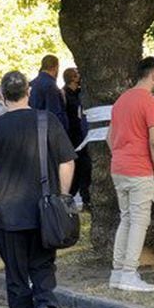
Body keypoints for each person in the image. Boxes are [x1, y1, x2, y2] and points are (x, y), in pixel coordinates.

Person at [0, 70, 76, 308]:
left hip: (9, 214)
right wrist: (62, 197)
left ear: (2, 95)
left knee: (16, 275)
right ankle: (45, 303)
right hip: (44, 210)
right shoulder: (47, 121)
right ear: (29, 91)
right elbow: (67, 162)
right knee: (42, 264)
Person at [107, 57, 154, 292]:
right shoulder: (150, 103)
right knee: (139, 221)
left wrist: (120, 154)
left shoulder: (121, 100)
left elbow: (110, 137)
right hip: (140, 169)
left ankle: (118, 271)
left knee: (126, 218)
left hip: (119, 166)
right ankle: (130, 272)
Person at [62, 67, 91, 209]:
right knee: (75, 166)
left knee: (84, 166)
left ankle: (85, 198)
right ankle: (70, 195)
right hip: (72, 135)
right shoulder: (64, 94)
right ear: (73, 78)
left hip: (81, 134)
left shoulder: (80, 93)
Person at [28, 54, 68, 130]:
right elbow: (54, 111)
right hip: (49, 129)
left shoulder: (32, 83)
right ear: (56, 67)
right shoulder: (50, 85)